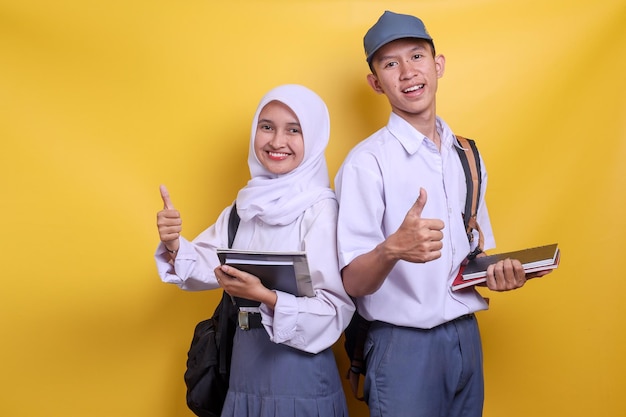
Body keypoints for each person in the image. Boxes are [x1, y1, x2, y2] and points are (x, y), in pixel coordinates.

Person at [334, 11, 552, 417]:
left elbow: (472, 254)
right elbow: (352, 281)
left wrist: (499, 273)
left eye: (416, 56)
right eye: (390, 64)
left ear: (438, 65)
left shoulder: (466, 154)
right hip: (402, 347)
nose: (407, 73)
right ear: (375, 83)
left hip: (466, 337)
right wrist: (392, 250)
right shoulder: (366, 163)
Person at [156, 84, 354, 417]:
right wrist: (174, 242)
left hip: (299, 376)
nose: (277, 141)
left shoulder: (321, 210)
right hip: (243, 366)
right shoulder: (242, 208)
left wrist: (267, 296)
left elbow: (336, 309)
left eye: (294, 130)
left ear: (316, 138)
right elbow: (202, 265)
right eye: (267, 127)